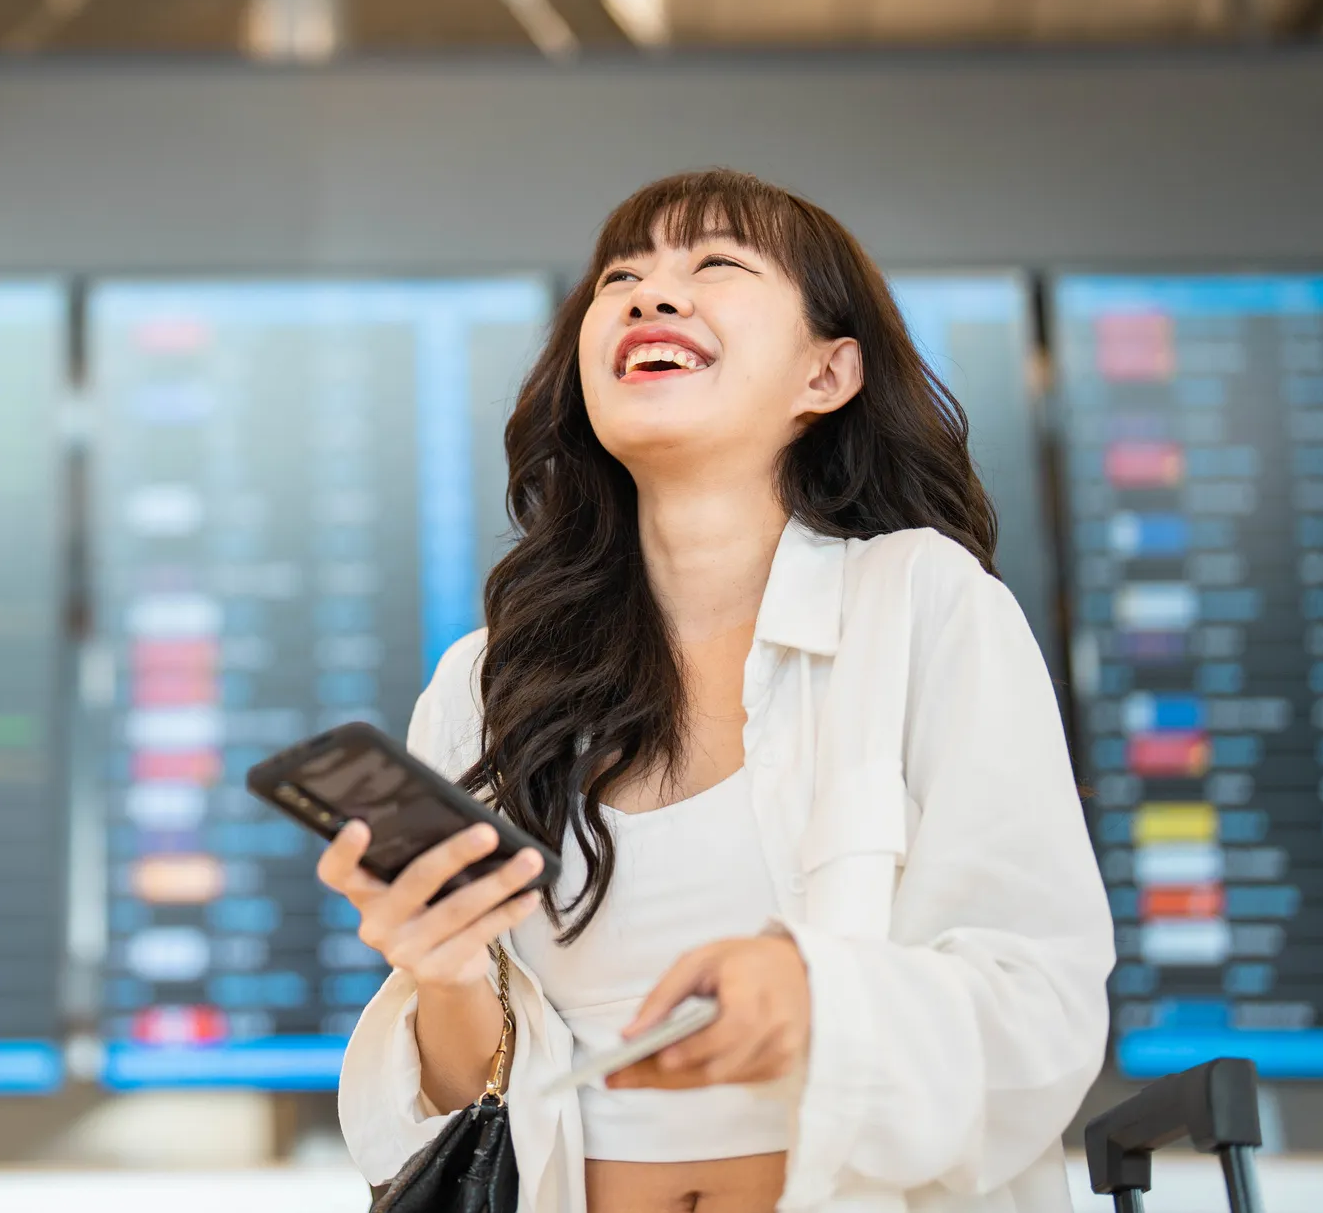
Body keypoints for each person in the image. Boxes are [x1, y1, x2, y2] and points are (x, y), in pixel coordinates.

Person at [322, 169, 1114, 1213]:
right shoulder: (486, 683)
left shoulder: (925, 606)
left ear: (827, 374)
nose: (652, 296)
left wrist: (814, 996)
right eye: (621, 277)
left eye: (717, 266)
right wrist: (447, 974)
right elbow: (473, 1122)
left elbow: (1040, 1007)